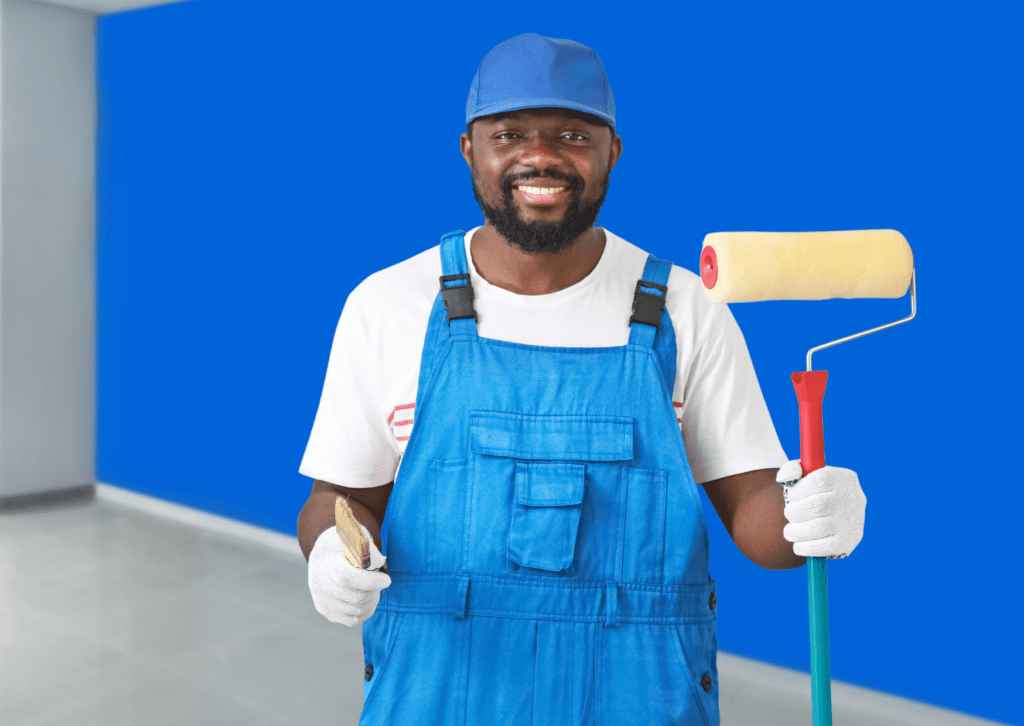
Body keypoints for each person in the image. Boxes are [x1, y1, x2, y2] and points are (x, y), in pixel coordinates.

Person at [296, 32, 867, 726]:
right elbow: (342, 497)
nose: (540, 156)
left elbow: (757, 518)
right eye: (510, 133)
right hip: (438, 693)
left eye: (572, 133)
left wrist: (809, 512)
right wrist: (330, 546)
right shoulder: (387, 307)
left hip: (641, 700)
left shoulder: (685, 311)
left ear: (611, 153)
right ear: (469, 150)